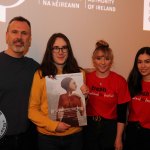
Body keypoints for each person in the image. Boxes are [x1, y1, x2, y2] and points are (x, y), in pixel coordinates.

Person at [28, 33, 87, 150]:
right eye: (56, 48)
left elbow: (82, 109)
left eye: (64, 47)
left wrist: (85, 97)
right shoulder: (40, 75)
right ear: (50, 51)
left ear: (68, 50)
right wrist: (53, 126)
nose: (61, 52)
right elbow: (32, 110)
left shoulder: (80, 73)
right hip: (48, 138)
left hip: (75, 136)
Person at [83, 40, 131, 150]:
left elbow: (122, 114)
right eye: (99, 58)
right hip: (89, 126)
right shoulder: (85, 78)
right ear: (93, 60)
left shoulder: (120, 81)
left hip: (110, 128)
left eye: (107, 59)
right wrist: (84, 71)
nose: (103, 63)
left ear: (111, 61)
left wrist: (118, 138)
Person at [0, 16, 39, 150]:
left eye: (24, 33)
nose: (19, 37)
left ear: (29, 39)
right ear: (6, 36)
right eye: (14, 32)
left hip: (29, 140)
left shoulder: (35, 68)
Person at [123, 47, 150, 150]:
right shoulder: (132, 83)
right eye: (139, 62)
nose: (143, 66)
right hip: (132, 132)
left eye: (147, 62)